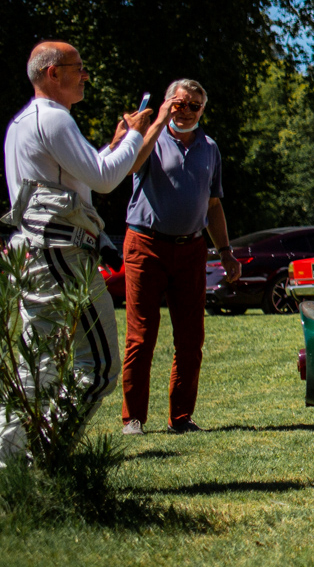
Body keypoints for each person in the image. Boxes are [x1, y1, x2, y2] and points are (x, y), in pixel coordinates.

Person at [2, 42, 157, 461]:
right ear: (53, 73)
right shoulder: (54, 119)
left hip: (36, 253)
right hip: (61, 254)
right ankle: (45, 455)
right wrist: (138, 135)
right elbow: (105, 180)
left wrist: (118, 144)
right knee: (100, 367)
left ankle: (10, 461)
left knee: (36, 367)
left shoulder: (22, 123)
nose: (86, 74)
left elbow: (83, 178)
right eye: (79, 67)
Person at [120, 78, 239, 435]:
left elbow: (214, 205)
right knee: (141, 335)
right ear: (168, 103)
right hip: (146, 245)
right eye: (180, 104)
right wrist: (155, 123)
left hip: (191, 249)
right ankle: (133, 418)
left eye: (194, 106)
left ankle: (181, 418)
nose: (185, 112)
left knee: (190, 338)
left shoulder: (210, 148)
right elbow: (128, 166)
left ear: (202, 111)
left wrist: (226, 252)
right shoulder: (150, 140)